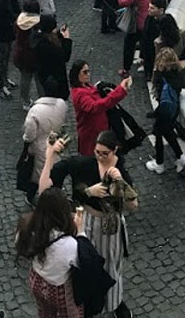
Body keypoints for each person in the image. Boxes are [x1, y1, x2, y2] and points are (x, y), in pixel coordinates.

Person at [40, 130, 138, 318]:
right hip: (87, 222)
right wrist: (51, 154)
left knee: (112, 265)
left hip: (111, 225)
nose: (100, 157)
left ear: (114, 151)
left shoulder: (121, 171)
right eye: (97, 152)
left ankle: (114, 302)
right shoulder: (83, 165)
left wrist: (120, 183)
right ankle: (90, 304)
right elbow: (47, 189)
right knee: (86, 265)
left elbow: (133, 204)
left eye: (104, 153)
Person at [15, 188, 89, 318]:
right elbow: (84, 259)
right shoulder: (69, 244)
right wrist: (81, 232)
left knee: (45, 313)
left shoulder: (26, 226)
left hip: (37, 280)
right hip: (59, 288)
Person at [68, 60, 131, 156]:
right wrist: (119, 91)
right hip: (92, 135)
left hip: (99, 130)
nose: (88, 74)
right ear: (77, 74)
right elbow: (95, 106)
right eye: (85, 72)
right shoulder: (80, 94)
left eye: (88, 71)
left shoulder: (86, 86)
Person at [145, 48, 185, 174]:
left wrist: (156, 113)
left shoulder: (162, 76)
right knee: (168, 132)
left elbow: (160, 95)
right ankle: (180, 157)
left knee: (159, 133)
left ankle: (159, 164)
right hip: (174, 109)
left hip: (164, 109)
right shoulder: (178, 74)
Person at [21, 95, 69, 204]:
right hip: (56, 142)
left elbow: (30, 133)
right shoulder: (62, 104)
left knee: (38, 173)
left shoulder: (35, 110)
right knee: (55, 169)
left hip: (40, 146)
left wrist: (27, 140)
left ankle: (32, 197)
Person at [116, 0, 162, 73]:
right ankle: (147, 68)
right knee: (147, 46)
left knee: (129, 45)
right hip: (148, 25)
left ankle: (126, 69)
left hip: (136, 25)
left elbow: (123, 2)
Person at [33, 16, 73, 100]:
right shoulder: (48, 45)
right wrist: (67, 40)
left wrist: (59, 34)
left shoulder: (37, 38)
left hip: (45, 77)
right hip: (55, 81)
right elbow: (65, 56)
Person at [12, 0, 42, 109]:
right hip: (34, 55)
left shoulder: (19, 21)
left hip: (20, 53)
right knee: (39, 78)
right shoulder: (38, 23)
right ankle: (42, 100)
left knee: (25, 78)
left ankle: (25, 101)